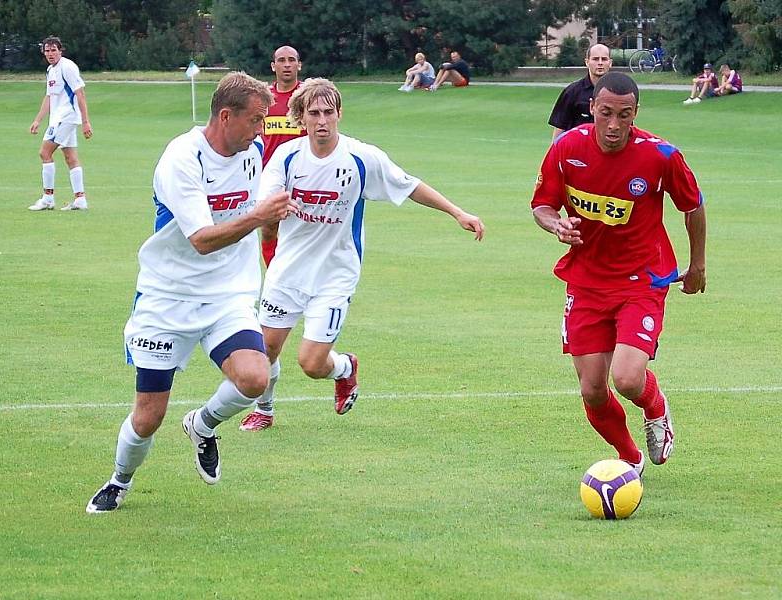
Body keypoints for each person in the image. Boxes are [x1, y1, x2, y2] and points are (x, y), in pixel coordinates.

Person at [85, 72, 298, 513]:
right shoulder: (181, 159)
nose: (262, 131)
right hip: (168, 296)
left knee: (255, 376)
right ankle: (119, 481)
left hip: (227, 294)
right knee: (148, 417)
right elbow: (202, 239)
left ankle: (202, 425)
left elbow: (257, 214)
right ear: (226, 115)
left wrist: (273, 223)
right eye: (256, 121)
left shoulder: (253, 152)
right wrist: (260, 216)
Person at [238, 78, 485, 431]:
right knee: (266, 351)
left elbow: (410, 185)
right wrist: (272, 210)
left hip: (335, 274)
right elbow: (266, 202)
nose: (321, 120)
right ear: (302, 118)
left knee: (311, 364)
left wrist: (458, 212)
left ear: (339, 114)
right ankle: (265, 409)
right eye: (313, 113)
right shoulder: (286, 157)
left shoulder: (361, 158)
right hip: (288, 268)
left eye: (328, 112)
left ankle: (345, 368)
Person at [531, 72, 707, 476]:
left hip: (641, 280)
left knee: (627, 379)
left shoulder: (660, 155)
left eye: (623, 115)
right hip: (586, 281)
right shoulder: (565, 148)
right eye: (606, 113)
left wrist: (697, 265)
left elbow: (692, 205)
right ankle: (630, 459)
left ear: (635, 114)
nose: (613, 125)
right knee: (593, 390)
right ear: (591, 108)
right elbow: (541, 204)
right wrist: (555, 224)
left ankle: (656, 407)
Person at [28, 36, 92, 211]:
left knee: (44, 152)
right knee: (71, 158)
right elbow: (49, 97)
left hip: (67, 118)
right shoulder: (50, 70)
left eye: (53, 50)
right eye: (47, 51)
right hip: (58, 118)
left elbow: (80, 94)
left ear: (60, 50)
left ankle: (48, 198)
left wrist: (85, 121)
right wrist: (38, 120)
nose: (50, 54)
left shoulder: (68, 67)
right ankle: (80, 199)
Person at [260, 45, 308, 267]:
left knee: (304, 229)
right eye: (281, 60)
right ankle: (273, 273)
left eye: (291, 60)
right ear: (273, 66)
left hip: (306, 175)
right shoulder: (264, 99)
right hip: (272, 176)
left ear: (299, 64)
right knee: (269, 228)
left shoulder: (307, 97)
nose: (286, 64)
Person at [548, 43, 612, 139]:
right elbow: (560, 128)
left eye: (604, 59)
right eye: (595, 59)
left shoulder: (618, 93)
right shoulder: (572, 92)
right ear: (587, 62)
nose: (600, 63)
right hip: (577, 151)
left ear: (610, 63)